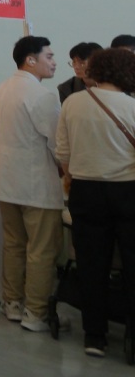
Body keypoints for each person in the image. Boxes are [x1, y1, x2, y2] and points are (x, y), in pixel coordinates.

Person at [55, 47, 135, 358]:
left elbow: (63, 154)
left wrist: (76, 173)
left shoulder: (72, 103)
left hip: (85, 191)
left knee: (91, 265)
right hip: (128, 191)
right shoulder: (132, 106)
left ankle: (94, 337)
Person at [0, 35, 61, 332]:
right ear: (30, 60)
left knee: (14, 245)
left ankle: (12, 304)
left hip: (7, 182)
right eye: (49, 56)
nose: (54, 62)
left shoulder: (2, 89)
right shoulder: (42, 95)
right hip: (36, 185)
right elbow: (58, 144)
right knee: (41, 250)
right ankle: (36, 313)